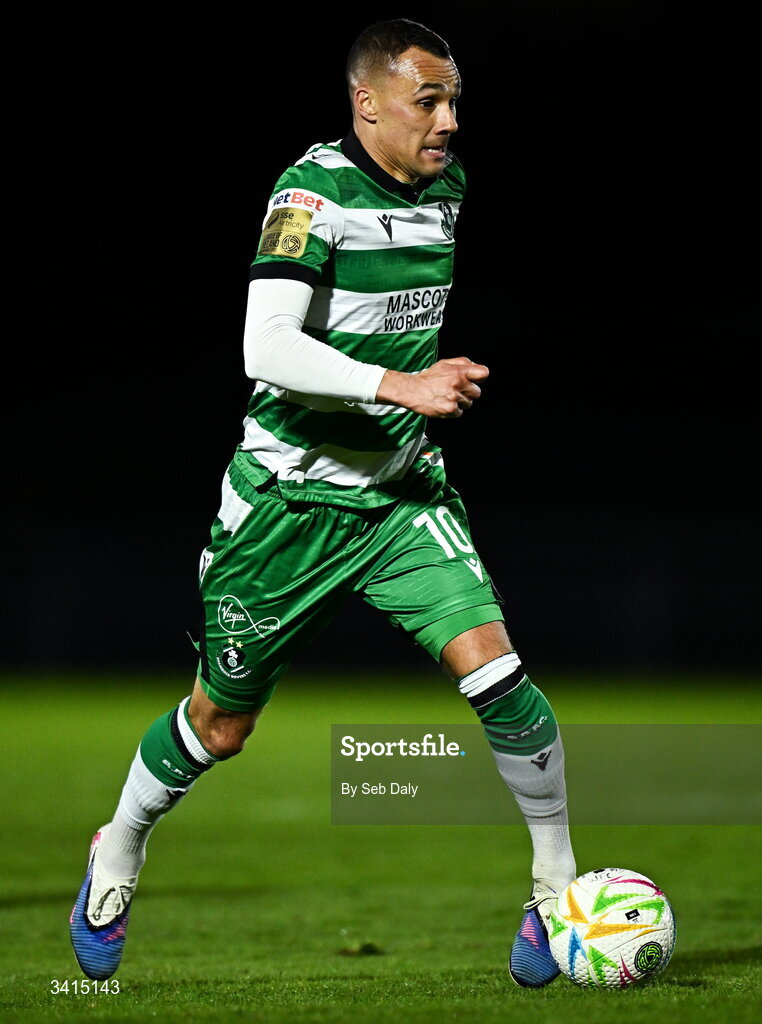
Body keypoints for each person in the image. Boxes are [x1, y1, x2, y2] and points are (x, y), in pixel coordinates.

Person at [70, 18, 576, 989]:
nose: (450, 122)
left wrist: (414, 396)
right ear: (367, 101)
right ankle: (119, 846)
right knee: (220, 726)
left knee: (499, 674)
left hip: (396, 496)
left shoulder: (447, 190)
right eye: (429, 100)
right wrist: (403, 385)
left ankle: (553, 892)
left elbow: (390, 314)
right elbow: (266, 347)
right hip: (285, 507)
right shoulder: (309, 195)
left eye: (456, 101)